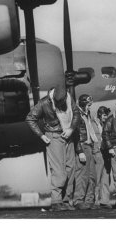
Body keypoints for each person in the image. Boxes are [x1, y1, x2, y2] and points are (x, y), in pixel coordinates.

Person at [25, 83, 84, 211]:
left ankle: (66, 200)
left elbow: (76, 114)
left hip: (68, 135)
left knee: (70, 169)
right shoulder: (44, 103)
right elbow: (30, 118)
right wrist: (41, 135)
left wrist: (71, 129)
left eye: (63, 103)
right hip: (54, 137)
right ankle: (56, 201)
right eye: (59, 104)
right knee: (59, 171)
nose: (62, 106)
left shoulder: (68, 98)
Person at [73, 94, 100, 210]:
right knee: (82, 175)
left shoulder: (87, 115)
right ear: (83, 104)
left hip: (90, 146)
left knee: (92, 176)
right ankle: (78, 200)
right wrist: (79, 151)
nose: (90, 107)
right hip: (83, 146)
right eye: (88, 105)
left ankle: (89, 201)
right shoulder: (77, 114)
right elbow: (75, 134)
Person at [91, 106, 112, 209]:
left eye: (106, 115)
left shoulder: (107, 124)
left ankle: (105, 200)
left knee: (106, 178)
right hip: (98, 153)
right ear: (99, 114)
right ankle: (95, 201)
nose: (105, 117)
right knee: (97, 178)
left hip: (106, 154)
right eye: (104, 115)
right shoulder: (92, 123)